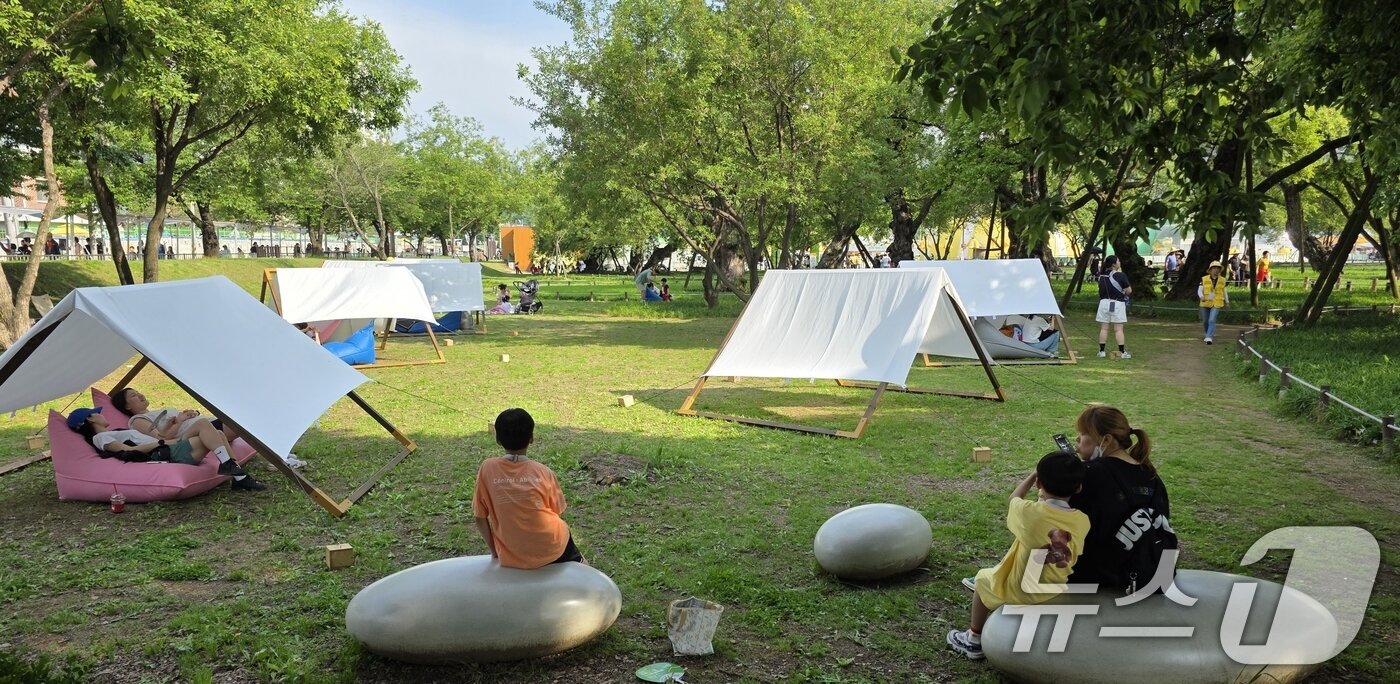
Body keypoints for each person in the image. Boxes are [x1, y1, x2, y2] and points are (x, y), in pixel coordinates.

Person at [947, 452, 1090, 660]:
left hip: (1022, 592)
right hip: (1055, 588)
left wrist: (1032, 475)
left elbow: (1013, 498)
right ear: (1078, 487)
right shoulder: (1082, 520)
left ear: (1039, 483)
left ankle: (973, 638)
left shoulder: (1030, 513)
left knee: (981, 580)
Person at [1067, 405, 1174, 594]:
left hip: (1099, 582)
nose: (1077, 439)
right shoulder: (1151, 476)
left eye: (1083, 433)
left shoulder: (1089, 474)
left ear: (1106, 440)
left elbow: (1060, 524)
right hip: (1150, 575)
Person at [473, 408, 583, 568]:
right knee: (582, 567)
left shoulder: (487, 468)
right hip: (554, 547)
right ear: (531, 438)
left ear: (498, 439)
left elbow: (479, 516)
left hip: (512, 555)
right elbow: (558, 510)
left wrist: (495, 551)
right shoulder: (544, 472)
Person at [67, 407, 266, 491]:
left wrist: (176, 424)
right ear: (91, 418)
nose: (101, 415)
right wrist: (163, 443)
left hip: (167, 446)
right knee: (206, 425)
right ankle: (237, 475)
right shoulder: (101, 437)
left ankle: (238, 476)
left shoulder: (118, 431)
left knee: (219, 434)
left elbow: (160, 437)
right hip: (165, 453)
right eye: (96, 413)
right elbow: (123, 451)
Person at [113, 387, 305, 469]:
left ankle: (281, 454)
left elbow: (177, 422)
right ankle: (280, 458)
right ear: (127, 406)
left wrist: (189, 415)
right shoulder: (138, 419)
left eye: (138, 392)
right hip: (195, 433)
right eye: (133, 396)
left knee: (247, 419)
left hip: (203, 424)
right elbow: (160, 438)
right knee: (246, 422)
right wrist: (180, 421)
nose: (139, 395)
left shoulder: (157, 410)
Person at [1094, 255, 1132, 359]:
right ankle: (1122, 352)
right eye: (1118, 261)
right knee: (1118, 329)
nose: (1120, 262)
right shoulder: (1121, 275)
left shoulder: (1101, 276)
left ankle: (1101, 351)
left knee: (1104, 328)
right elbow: (1129, 290)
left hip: (1104, 303)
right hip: (1117, 303)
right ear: (1114, 264)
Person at [1198, 260, 1229, 344]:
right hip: (1205, 302)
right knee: (1205, 321)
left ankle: (1209, 337)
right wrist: (1201, 297)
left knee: (1212, 320)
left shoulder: (1223, 280)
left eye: (1217, 268)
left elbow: (1224, 291)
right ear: (1210, 269)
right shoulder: (1204, 279)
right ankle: (1208, 332)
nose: (1216, 269)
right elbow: (1199, 290)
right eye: (1214, 268)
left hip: (1217, 302)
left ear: (1220, 270)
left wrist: (1227, 302)